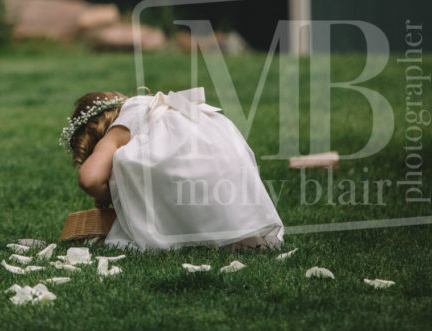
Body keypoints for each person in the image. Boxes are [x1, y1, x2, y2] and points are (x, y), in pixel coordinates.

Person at [62, 88, 285, 251]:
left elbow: (89, 179)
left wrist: (106, 194)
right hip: (223, 166)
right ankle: (239, 232)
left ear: (93, 129)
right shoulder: (162, 109)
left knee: (137, 168)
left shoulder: (118, 128)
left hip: (183, 184)